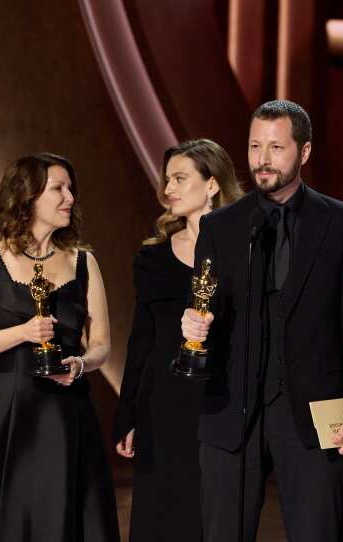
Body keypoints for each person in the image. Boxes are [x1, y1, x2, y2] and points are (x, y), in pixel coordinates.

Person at [181, 100, 343, 541]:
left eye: (275, 147)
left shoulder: (342, 223)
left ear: (304, 153)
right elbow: (203, 304)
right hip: (232, 410)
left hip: (313, 411)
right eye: (254, 147)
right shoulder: (222, 226)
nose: (262, 160)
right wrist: (192, 328)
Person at [0, 153, 119, 541]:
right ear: (28, 197)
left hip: (66, 415)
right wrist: (23, 332)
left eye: (70, 188)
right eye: (58, 188)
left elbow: (101, 343)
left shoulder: (84, 262)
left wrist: (80, 363)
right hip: (5, 414)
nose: (70, 197)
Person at [114, 139, 244, 540]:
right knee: (162, 514)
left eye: (180, 178)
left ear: (212, 184)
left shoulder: (246, 250)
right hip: (163, 403)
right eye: (167, 179)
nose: (168, 188)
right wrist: (128, 413)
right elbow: (141, 339)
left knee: (215, 515)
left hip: (222, 399)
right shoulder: (151, 258)